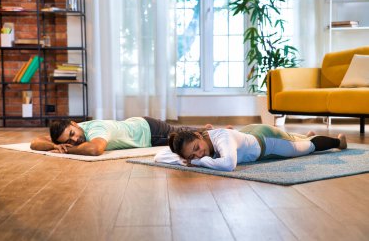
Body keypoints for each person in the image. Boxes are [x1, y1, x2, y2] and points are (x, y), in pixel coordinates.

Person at [155, 124, 347, 172]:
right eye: (192, 154)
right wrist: (184, 159)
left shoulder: (222, 136)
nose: (198, 154)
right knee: (300, 140)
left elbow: (229, 164)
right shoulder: (199, 143)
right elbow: (159, 157)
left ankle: (338, 142)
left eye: (196, 147)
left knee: (307, 148)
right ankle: (303, 135)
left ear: (198, 135)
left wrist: (197, 162)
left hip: (267, 140)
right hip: (247, 133)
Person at [30, 116, 212, 156]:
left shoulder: (95, 129)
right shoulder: (74, 131)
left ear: (75, 124)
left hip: (149, 133)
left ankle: (214, 131)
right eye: (68, 141)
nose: (75, 140)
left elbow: (95, 149)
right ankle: (206, 127)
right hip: (139, 123)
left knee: (183, 137)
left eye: (73, 134)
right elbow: (35, 143)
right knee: (183, 130)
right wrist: (54, 146)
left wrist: (69, 149)